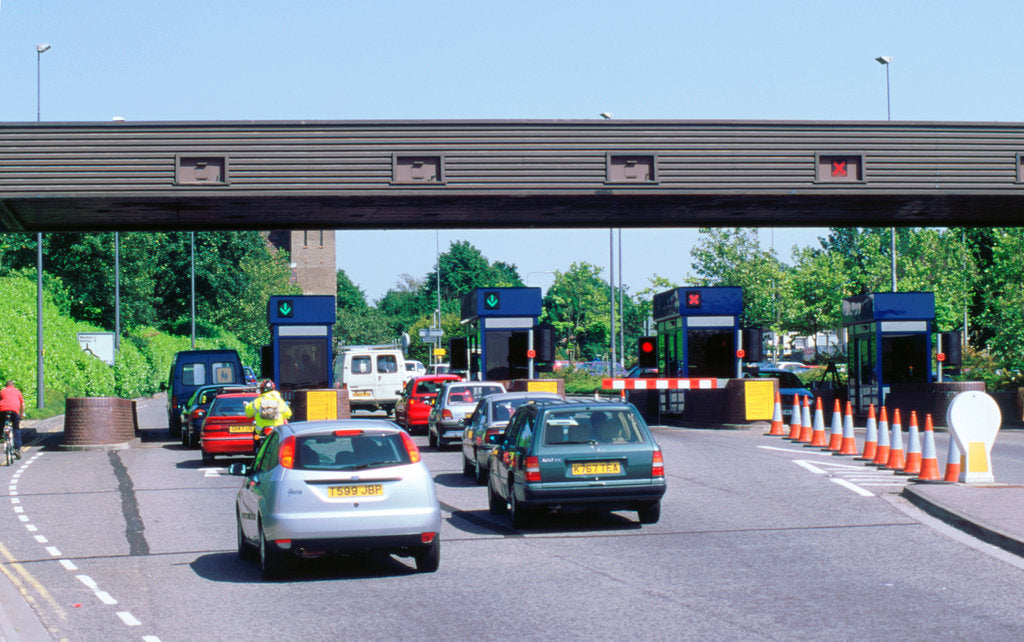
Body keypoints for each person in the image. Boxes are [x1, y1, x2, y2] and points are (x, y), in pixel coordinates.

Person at [244, 379, 292, 444]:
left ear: (261, 390)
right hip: (277, 430)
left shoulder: (257, 401)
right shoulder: (280, 401)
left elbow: (248, 414)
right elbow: (288, 414)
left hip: (261, 431)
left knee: (256, 436)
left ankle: (257, 451)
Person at [0, 380, 27, 459]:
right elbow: (22, 404)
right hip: (14, 411)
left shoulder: (2, 391)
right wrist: (21, 414)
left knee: (1, 425)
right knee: (16, 429)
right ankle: (17, 449)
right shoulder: (17, 392)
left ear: (6, 386)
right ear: (13, 386)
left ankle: (1, 436)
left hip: (3, 410)